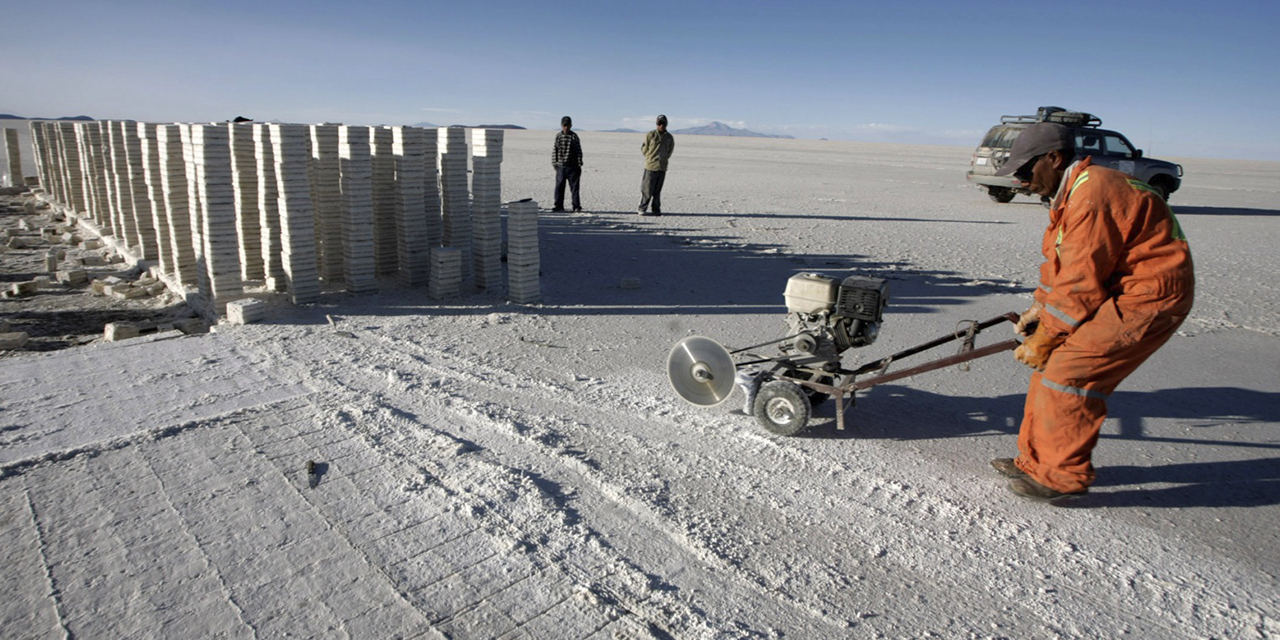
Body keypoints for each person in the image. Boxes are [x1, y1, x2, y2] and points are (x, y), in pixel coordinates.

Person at [991, 122, 1195, 501]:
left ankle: (1062, 479)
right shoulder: (1073, 193)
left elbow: (1082, 281)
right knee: (1049, 372)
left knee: (1070, 374)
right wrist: (1040, 307)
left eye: (1024, 171)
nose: (1021, 181)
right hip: (1118, 289)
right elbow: (1061, 265)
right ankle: (1036, 462)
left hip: (1147, 297)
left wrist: (1049, 335)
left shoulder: (1094, 194)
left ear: (1053, 158)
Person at [638, 114, 674, 216]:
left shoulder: (669, 138)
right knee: (647, 189)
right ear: (656, 124)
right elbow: (644, 149)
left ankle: (656, 209)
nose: (661, 125)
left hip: (662, 167)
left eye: (663, 123)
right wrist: (650, 158)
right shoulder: (651, 135)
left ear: (666, 124)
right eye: (659, 123)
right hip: (650, 166)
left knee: (657, 191)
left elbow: (669, 151)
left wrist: (663, 159)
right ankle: (642, 208)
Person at [551, 116, 583, 213]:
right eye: (564, 125)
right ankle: (558, 205)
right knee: (559, 187)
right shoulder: (558, 136)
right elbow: (555, 150)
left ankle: (576, 206)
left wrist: (579, 163)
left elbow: (578, 151)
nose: (566, 127)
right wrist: (554, 163)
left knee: (574, 188)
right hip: (560, 166)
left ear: (571, 126)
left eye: (568, 125)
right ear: (561, 126)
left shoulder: (574, 136)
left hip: (572, 167)